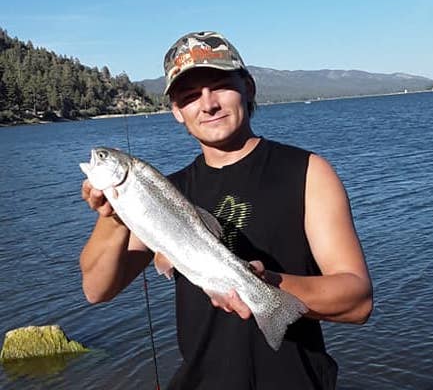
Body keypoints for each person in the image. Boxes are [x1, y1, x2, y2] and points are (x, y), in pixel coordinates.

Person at [80, 31, 373, 389]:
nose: (208, 104)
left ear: (248, 88)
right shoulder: (161, 193)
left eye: (219, 86)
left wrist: (263, 289)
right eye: (189, 96)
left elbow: (357, 300)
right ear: (176, 111)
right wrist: (113, 215)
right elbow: (96, 289)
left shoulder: (308, 172)